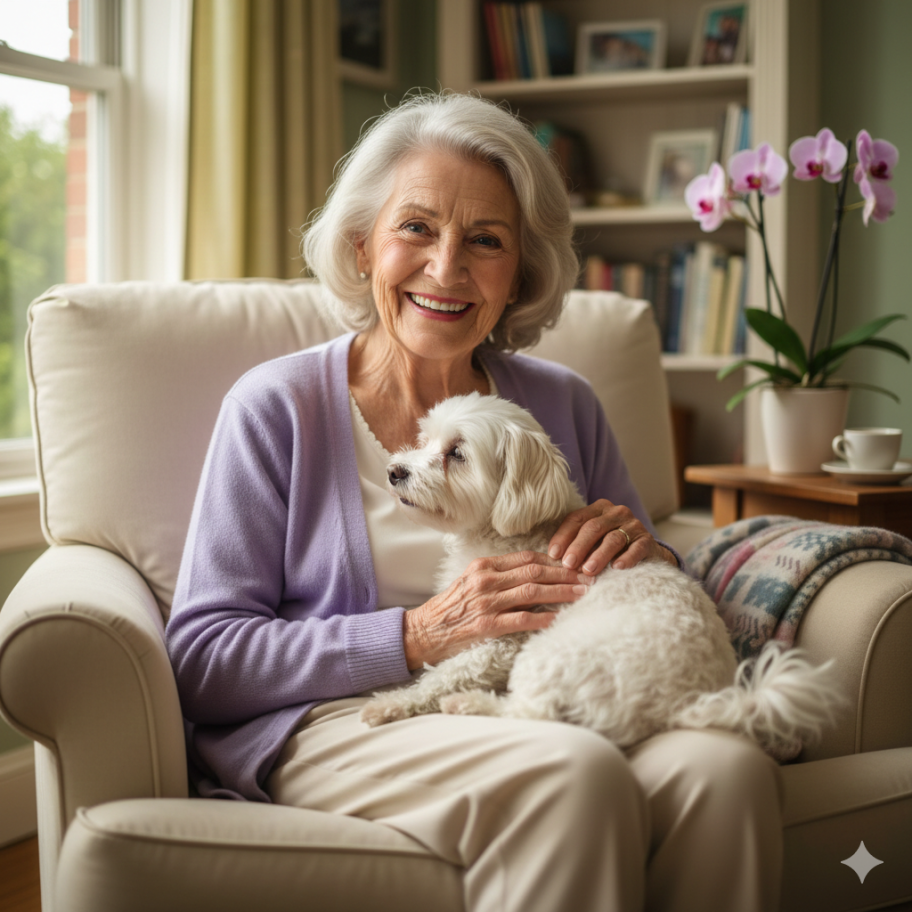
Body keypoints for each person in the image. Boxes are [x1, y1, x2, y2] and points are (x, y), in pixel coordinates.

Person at [166, 92, 783, 912]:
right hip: (344, 719)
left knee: (728, 771)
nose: (447, 267)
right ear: (362, 248)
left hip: (543, 688)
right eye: (416, 227)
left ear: (519, 272)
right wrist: (418, 635)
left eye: (485, 240)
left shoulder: (563, 404)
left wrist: (644, 549)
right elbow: (203, 661)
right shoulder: (276, 406)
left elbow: (647, 573)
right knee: (574, 774)